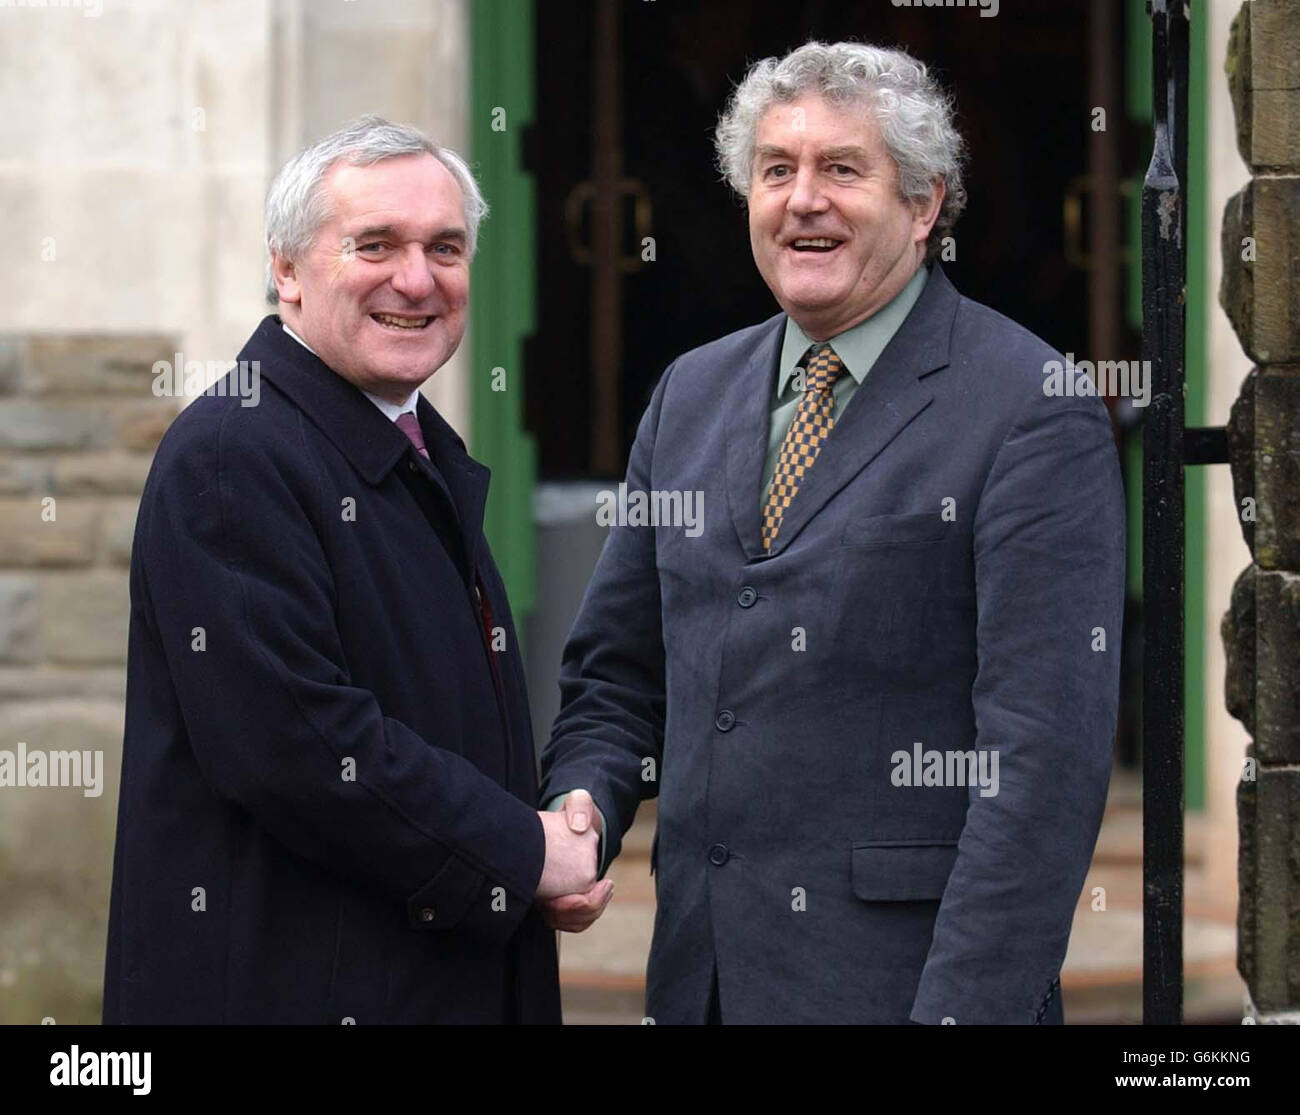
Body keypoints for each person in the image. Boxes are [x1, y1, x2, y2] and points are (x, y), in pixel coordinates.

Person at [540, 42, 1125, 1024]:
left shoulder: (1027, 407)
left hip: (900, 991)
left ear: (924, 204)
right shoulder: (690, 392)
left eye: (842, 169)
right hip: (701, 985)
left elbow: (1038, 770)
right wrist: (584, 809)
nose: (801, 199)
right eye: (776, 169)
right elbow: (616, 673)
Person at [103, 116, 606, 1024]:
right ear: (286, 271)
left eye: (444, 247)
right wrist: (522, 852)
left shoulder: (406, 446)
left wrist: (529, 853)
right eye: (375, 244)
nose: (416, 279)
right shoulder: (235, 453)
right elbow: (298, 745)